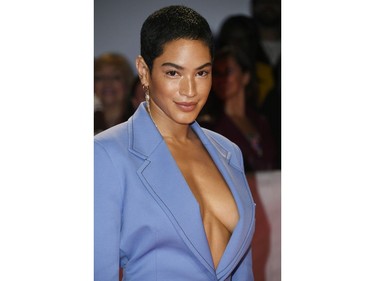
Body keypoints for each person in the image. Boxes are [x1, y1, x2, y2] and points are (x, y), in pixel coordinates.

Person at [94, 5, 256, 281]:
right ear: (144, 71)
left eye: (202, 73)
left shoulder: (229, 152)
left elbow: (242, 270)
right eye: (173, 73)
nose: (189, 90)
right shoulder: (107, 154)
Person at [205, 46, 277, 172]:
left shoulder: (262, 119)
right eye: (216, 73)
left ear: (245, 76)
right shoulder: (209, 124)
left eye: (228, 71)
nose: (222, 79)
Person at [94, 52, 135, 135]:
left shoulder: (140, 122)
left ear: (127, 84)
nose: (107, 83)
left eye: (116, 77)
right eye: (100, 77)